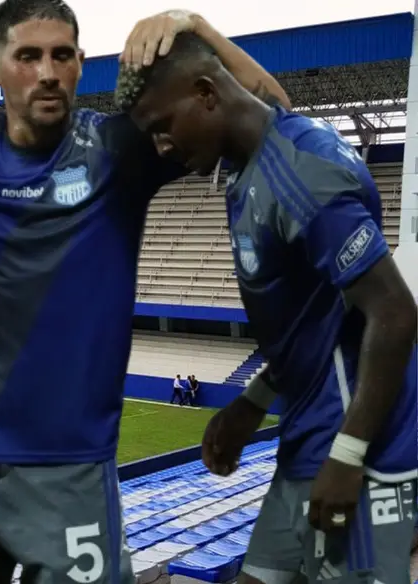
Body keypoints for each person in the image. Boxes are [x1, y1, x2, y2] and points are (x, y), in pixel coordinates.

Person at [0, 0, 292, 582]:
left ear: (81, 63)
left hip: (70, 475)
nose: (47, 73)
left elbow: (273, 117)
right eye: (28, 56)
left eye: (62, 55)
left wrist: (194, 25)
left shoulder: (119, 149)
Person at [116, 31, 418, 584]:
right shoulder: (249, 157)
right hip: (305, 438)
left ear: (206, 94)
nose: (161, 147)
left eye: (163, 126)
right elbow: (309, 325)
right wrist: (251, 403)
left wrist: (349, 456)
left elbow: (395, 313)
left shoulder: (303, 174)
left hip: (359, 453)